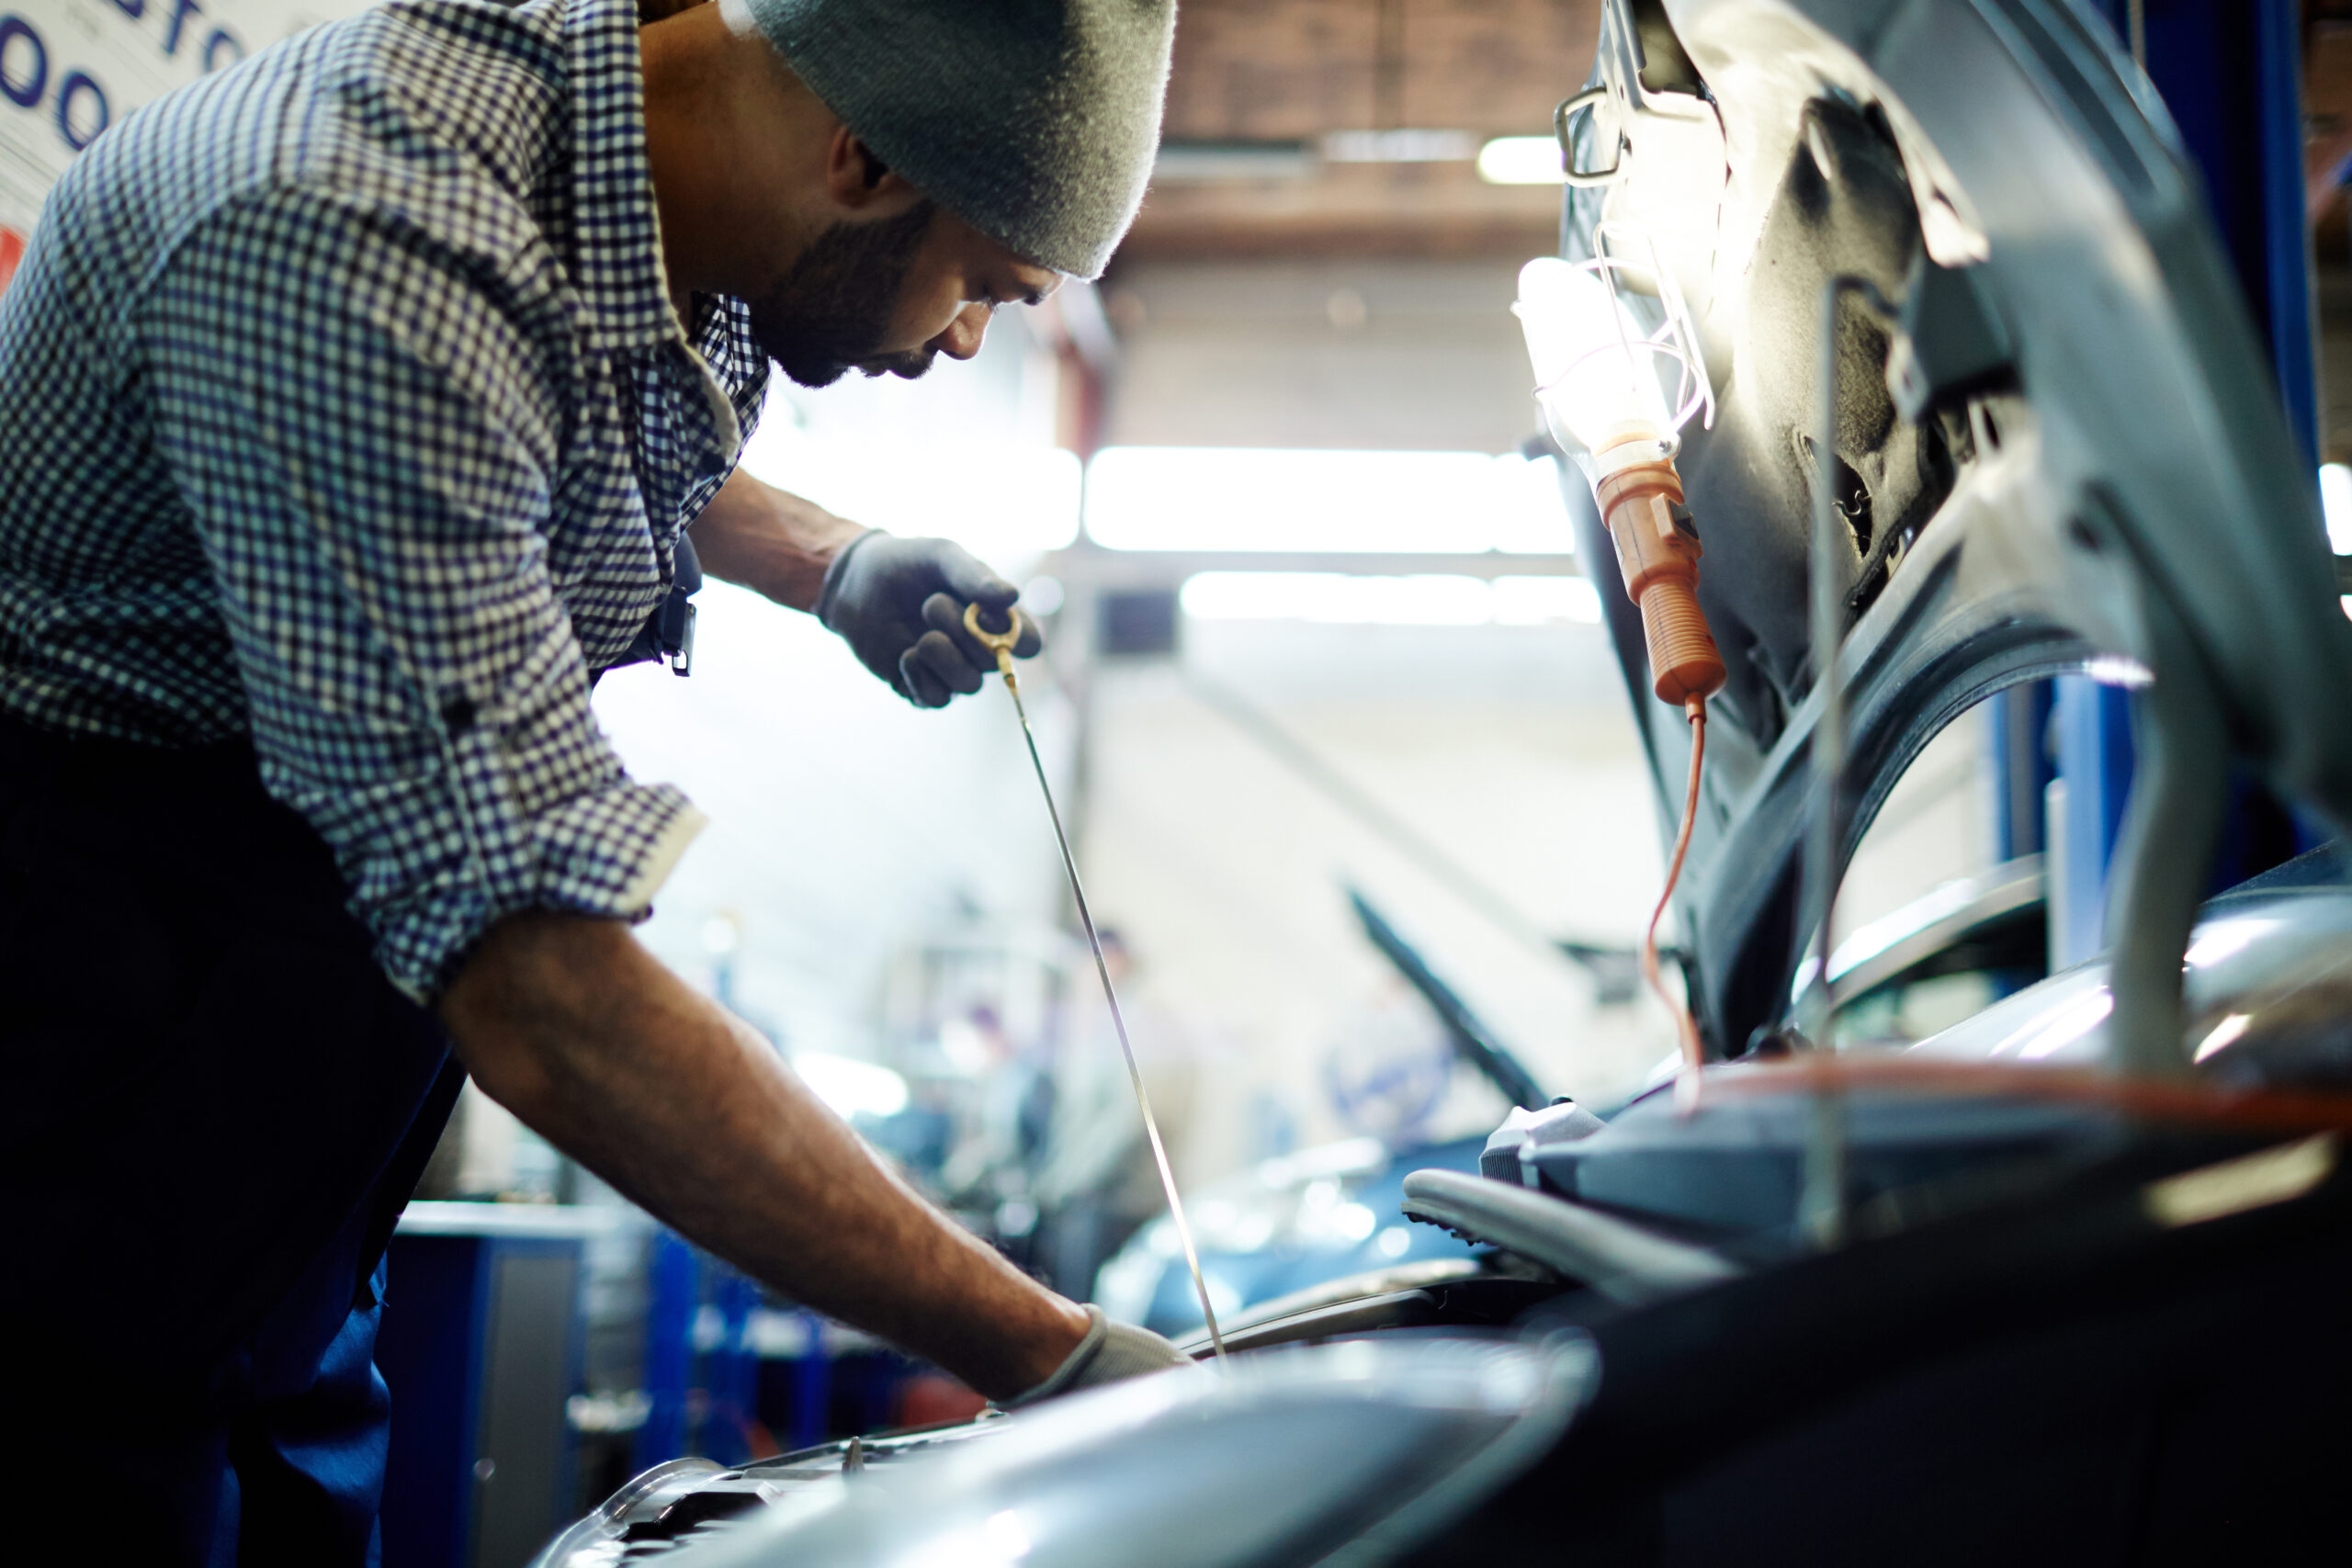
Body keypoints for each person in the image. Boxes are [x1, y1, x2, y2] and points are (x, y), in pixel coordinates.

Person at [0, 0, 1184, 1558]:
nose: (968, 337)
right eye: (983, 282)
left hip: (276, 1143)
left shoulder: (639, 168)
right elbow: (543, 990)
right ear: (859, 158)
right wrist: (1057, 1357)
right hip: (73, 1094)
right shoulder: (352, 218)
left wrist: (827, 560)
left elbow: (536, 416)